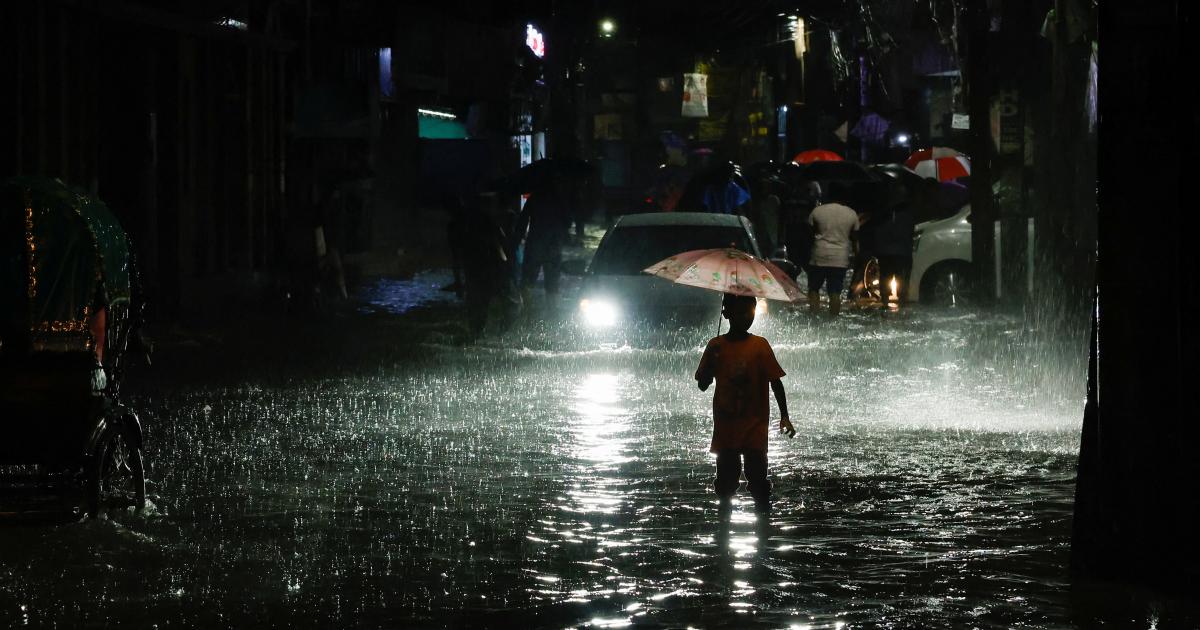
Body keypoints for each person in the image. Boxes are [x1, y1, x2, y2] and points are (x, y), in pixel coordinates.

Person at [695, 293, 796, 513]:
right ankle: (727, 529)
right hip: (726, 428)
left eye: (749, 313)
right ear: (726, 313)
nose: (745, 318)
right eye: (740, 313)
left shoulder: (760, 346)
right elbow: (703, 385)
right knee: (725, 485)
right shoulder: (716, 347)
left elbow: (775, 383)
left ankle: (761, 527)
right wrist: (709, 369)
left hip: (754, 427)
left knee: (758, 481)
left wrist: (785, 416)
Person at [806, 183, 859, 316]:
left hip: (819, 255)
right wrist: (858, 256)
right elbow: (855, 239)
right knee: (835, 292)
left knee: (813, 289)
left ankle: (813, 318)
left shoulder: (817, 211)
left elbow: (809, 234)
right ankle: (833, 320)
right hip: (839, 258)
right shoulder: (851, 214)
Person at [874, 188, 916, 303]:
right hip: (903, 252)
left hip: (886, 252)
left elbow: (878, 232)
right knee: (902, 278)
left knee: (885, 277)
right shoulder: (908, 213)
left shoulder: (883, 213)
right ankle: (902, 301)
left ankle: (885, 302)